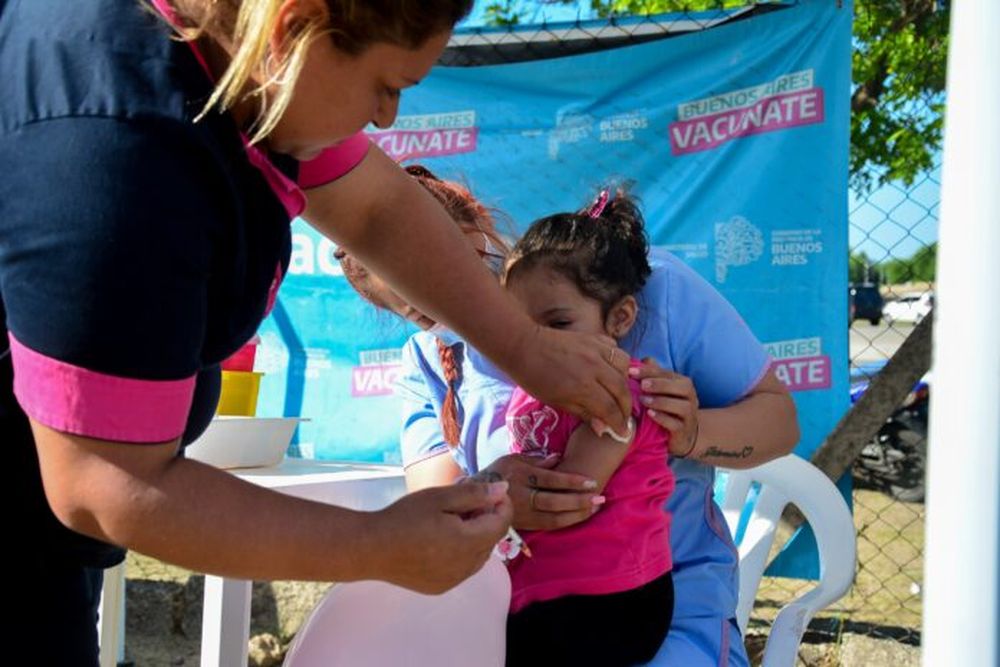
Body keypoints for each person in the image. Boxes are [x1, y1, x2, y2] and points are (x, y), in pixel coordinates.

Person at [0, 1, 635, 663]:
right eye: (385, 86)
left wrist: (525, 346)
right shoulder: (114, 147)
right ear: (292, 29)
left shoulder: (244, 66)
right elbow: (103, 482)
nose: (387, 117)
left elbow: (378, 206)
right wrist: (377, 546)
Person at [345, 167, 800, 665]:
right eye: (425, 312)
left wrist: (690, 433)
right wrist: (494, 494)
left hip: (664, 609)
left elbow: (778, 423)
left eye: (464, 270)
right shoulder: (429, 365)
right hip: (525, 612)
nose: (461, 310)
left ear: (479, 228)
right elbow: (438, 514)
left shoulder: (643, 289)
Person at [500, 191, 676, 666]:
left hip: (610, 599)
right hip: (548, 591)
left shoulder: (615, 390)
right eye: (520, 328)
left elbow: (575, 491)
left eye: (558, 323)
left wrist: (492, 495)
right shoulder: (532, 384)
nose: (540, 344)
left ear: (619, 317)